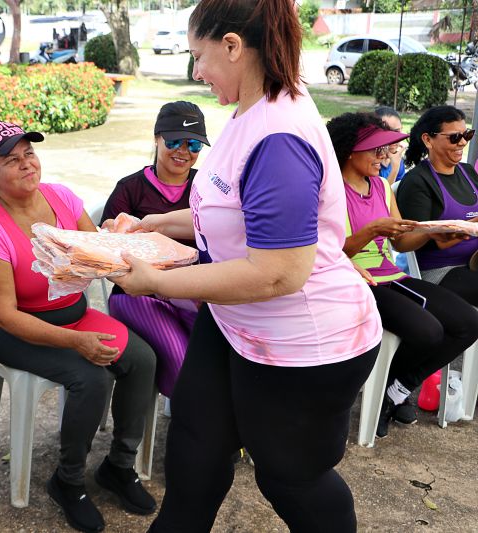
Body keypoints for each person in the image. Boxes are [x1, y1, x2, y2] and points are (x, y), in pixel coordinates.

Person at [112, 1, 384, 531]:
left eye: (199, 56)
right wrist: (156, 223)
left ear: (233, 46)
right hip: (235, 320)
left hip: (303, 343)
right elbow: (231, 210)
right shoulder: (251, 105)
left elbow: (278, 272)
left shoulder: (280, 136)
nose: (196, 71)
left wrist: (158, 281)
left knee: (289, 478)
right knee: (195, 453)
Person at [0, 120, 157, 533]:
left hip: (72, 313)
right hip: (13, 330)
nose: (26, 164)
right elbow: (5, 316)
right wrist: (76, 342)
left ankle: (118, 466)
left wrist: (125, 242)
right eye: (11, 160)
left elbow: (100, 252)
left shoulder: (62, 198)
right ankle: (68, 481)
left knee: (142, 360)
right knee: (90, 378)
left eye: (29, 154)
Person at [327, 112, 478, 438]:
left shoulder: (382, 187)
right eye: (376, 150)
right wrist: (371, 231)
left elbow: (401, 242)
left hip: (391, 275)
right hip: (355, 279)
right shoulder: (331, 191)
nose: (383, 157)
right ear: (350, 151)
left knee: (468, 322)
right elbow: (330, 252)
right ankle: (386, 392)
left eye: (385, 150)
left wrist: (436, 233)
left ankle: (395, 390)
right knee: (428, 331)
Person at [100, 101, 208, 399]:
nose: (183, 151)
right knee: (183, 363)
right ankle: (190, 414)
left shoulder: (206, 187)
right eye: (174, 141)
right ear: (156, 138)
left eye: (194, 144)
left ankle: (202, 414)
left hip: (194, 293)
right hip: (138, 295)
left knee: (220, 353)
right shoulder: (130, 189)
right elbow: (106, 256)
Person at [396, 105, 478, 299]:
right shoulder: (417, 182)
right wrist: (465, 226)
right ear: (428, 140)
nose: (462, 142)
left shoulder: (467, 171)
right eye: (454, 137)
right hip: (441, 270)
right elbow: (412, 240)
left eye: (467, 135)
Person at [374, 107, 407, 184]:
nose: (393, 138)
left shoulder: (398, 160)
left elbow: (399, 188)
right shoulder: (370, 162)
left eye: (397, 131)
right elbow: (382, 191)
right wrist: (394, 169)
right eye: (387, 132)